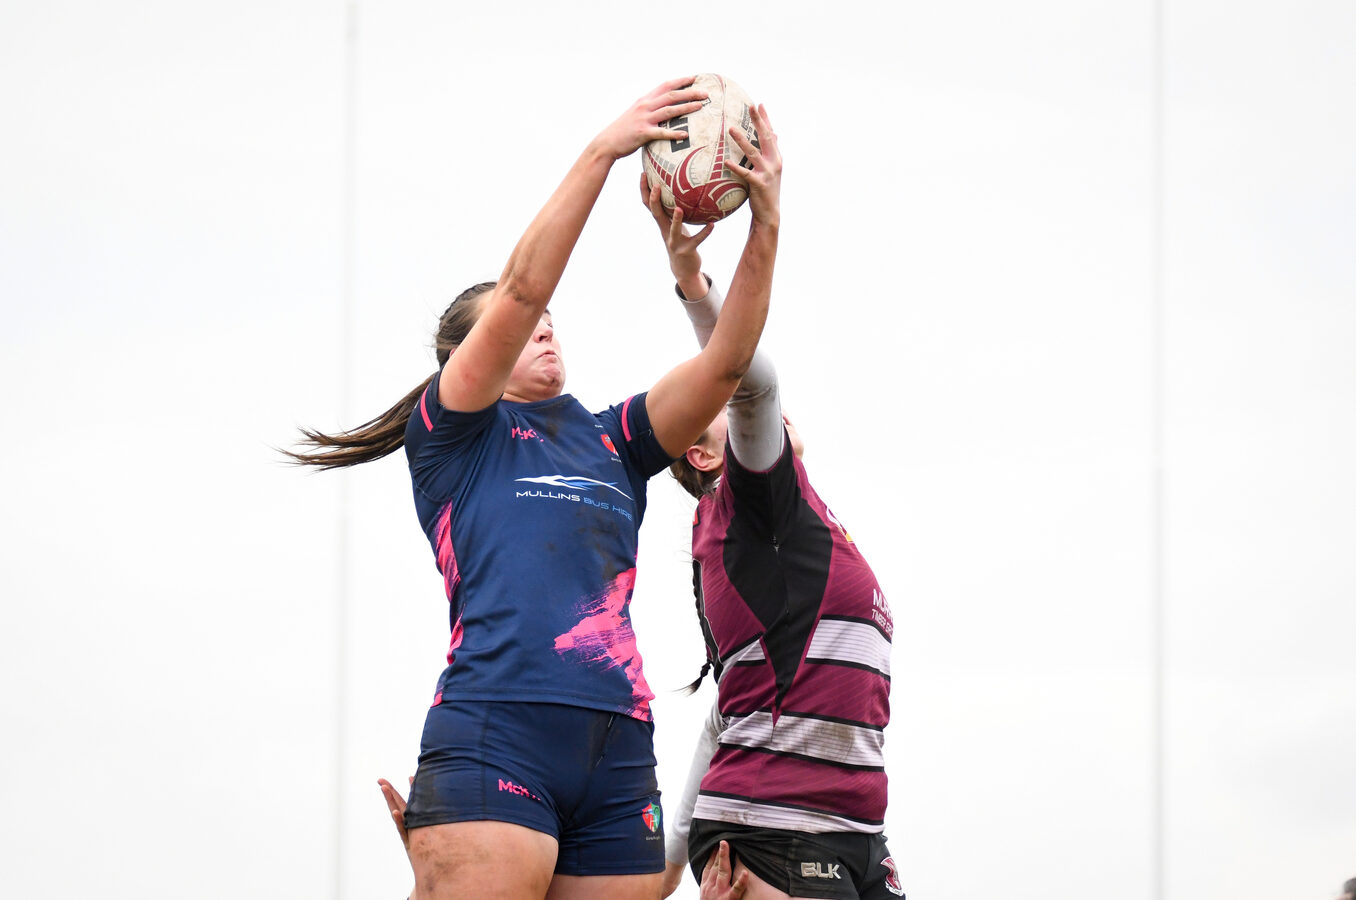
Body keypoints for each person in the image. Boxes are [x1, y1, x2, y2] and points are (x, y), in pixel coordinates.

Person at [289, 78, 783, 900]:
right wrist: (605, 150)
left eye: (553, 321)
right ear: (466, 358)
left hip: (617, 751)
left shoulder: (614, 438)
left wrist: (765, 220)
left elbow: (729, 363)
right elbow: (522, 290)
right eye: (523, 327)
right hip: (497, 731)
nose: (543, 323)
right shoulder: (454, 435)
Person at [639, 181, 905, 900]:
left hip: (853, 833)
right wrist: (694, 281)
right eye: (718, 402)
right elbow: (753, 382)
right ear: (703, 453)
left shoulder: (780, 523)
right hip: (777, 827)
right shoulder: (752, 502)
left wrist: (668, 866)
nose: (746, 407)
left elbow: (725, 715)